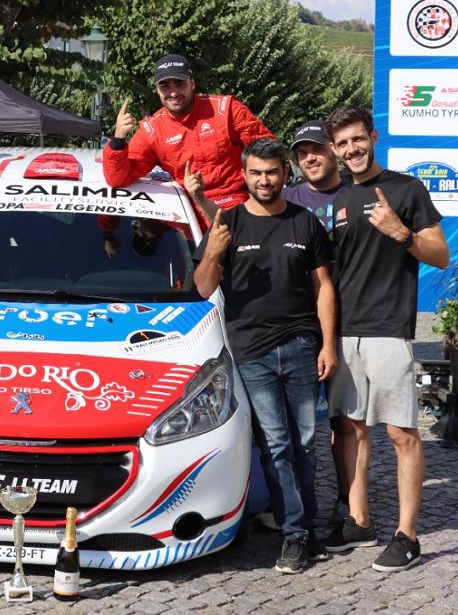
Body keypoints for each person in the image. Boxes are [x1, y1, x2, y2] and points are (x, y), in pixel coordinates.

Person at [193, 138, 337, 574]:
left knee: (307, 444)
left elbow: (324, 288)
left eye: (272, 172)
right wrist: (215, 252)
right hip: (251, 353)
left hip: (302, 348)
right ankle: (296, 534)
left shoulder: (306, 223)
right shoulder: (228, 222)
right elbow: (201, 287)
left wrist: (329, 344)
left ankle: (304, 525)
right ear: (244, 174)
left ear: (284, 174)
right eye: (256, 172)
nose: (264, 180)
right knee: (276, 445)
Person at [323, 104, 449, 572]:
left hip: (389, 330)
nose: (352, 149)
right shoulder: (338, 199)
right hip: (346, 333)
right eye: (343, 144)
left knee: (401, 433)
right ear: (335, 150)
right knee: (351, 428)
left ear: (373, 137)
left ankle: (408, 536)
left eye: (358, 139)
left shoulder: (406, 189)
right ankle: (358, 520)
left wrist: (402, 233)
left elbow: (440, 255)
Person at [103, 54, 273, 224]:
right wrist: (118, 139)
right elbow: (117, 178)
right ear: (157, 89)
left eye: (179, 84)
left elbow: (269, 153)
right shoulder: (152, 130)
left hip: (241, 212)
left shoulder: (226, 110)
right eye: (165, 86)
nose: (173, 93)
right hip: (192, 219)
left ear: (192, 84)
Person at [282, 119, 352, 526]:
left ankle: (345, 501)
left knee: (344, 422)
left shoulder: (355, 193)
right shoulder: (286, 196)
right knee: (295, 427)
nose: (309, 157)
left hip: (349, 323)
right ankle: (293, 506)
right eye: (301, 152)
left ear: (334, 151)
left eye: (317, 149)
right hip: (296, 326)